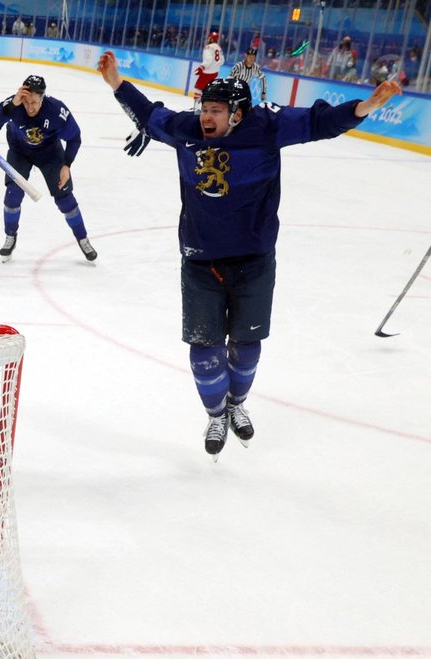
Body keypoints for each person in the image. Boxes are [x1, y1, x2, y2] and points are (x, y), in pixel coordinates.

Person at [96, 49, 402, 460]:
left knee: (246, 342)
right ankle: (216, 412)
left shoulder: (267, 126)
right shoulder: (188, 128)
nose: (206, 117)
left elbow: (319, 122)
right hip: (200, 258)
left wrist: (366, 107)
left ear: (238, 114)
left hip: (254, 258)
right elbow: (150, 113)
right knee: (204, 348)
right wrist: (116, 82)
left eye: (216, 111)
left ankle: (236, 404)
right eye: (205, 108)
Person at [0, 74, 96, 262]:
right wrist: (12, 105)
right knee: (13, 194)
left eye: (35, 102)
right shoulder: (14, 104)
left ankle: (83, 238)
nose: (30, 107)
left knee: (65, 199)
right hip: (19, 152)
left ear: (43, 97)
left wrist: (66, 164)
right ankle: (10, 236)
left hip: (50, 154)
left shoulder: (57, 110)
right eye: (27, 102)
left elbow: (75, 137)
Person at [192, 31, 223, 110]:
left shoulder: (208, 47)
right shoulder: (219, 48)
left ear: (212, 39)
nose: (208, 39)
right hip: (215, 73)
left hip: (207, 72)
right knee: (209, 90)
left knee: (198, 88)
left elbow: (208, 60)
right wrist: (215, 66)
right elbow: (222, 60)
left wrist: (201, 67)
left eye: (209, 37)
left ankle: (196, 107)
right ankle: (208, 108)